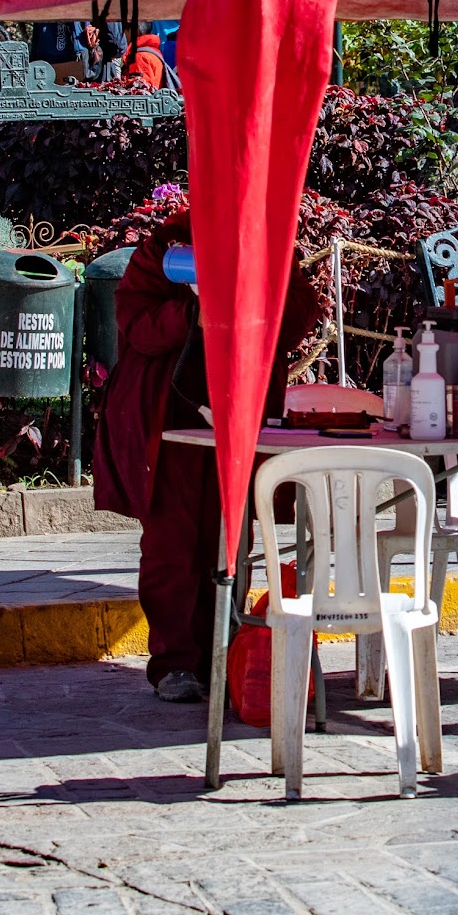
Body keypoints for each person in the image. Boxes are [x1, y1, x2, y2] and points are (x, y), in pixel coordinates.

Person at [93, 209, 323, 703]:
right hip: (169, 418)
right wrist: (194, 311)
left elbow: (301, 312)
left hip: (237, 413)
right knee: (172, 544)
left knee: (229, 540)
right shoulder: (167, 245)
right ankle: (177, 662)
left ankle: (224, 648)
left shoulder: (270, 240)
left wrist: (259, 287)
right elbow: (136, 326)